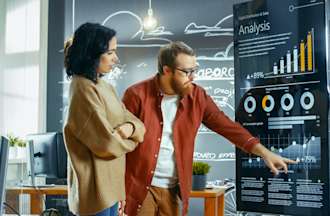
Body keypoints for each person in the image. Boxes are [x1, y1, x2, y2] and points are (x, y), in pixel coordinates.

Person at [122, 41, 296, 216]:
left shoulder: (197, 96)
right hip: (140, 189)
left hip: (174, 190)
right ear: (167, 70)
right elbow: (120, 145)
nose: (192, 77)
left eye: (194, 70)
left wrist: (265, 152)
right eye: (186, 72)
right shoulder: (136, 95)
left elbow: (227, 127)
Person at [63, 23, 145, 216]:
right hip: (94, 196)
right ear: (92, 53)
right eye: (110, 53)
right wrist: (133, 136)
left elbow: (139, 125)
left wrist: (128, 130)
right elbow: (107, 144)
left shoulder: (105, 87)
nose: (116, 59)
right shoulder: (82, 88)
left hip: (111, 191)